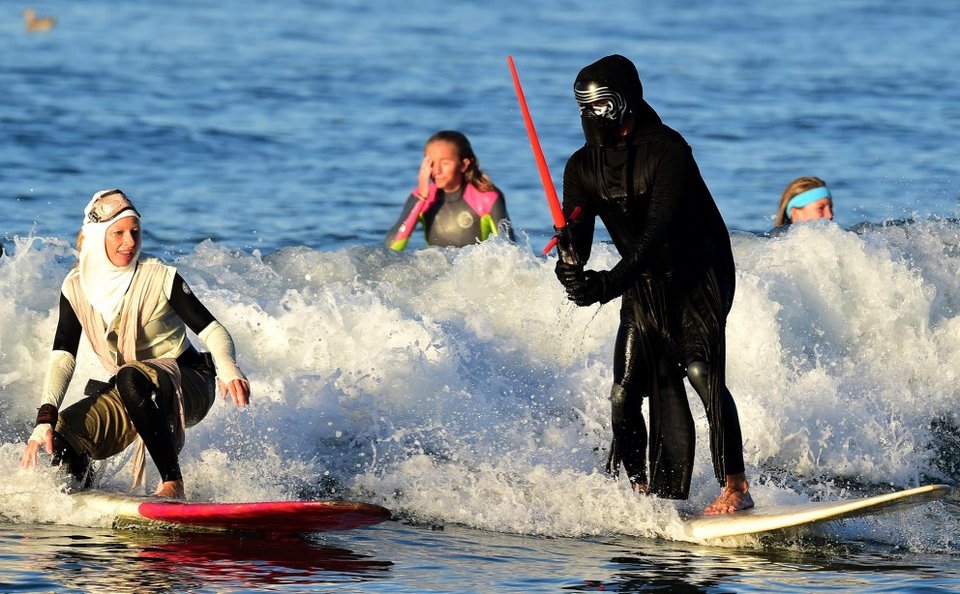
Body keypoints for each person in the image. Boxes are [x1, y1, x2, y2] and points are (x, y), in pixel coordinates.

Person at [553, 55, 753, 515]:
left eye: (600, 104)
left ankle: (736, 487)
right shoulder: (581, 168)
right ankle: (640, 493)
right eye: (583, 106)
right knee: (623, 392)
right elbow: (577, 242)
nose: (591, 115)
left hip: (698, 275)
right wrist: (571, 268)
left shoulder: (669, 151)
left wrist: (609, 284)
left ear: (625, 101)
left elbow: (656, 232)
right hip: (643, 285)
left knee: (701, 371)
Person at [20, 189, 251, 499]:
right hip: (135, 390)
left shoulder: (160, 278)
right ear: (97, 235)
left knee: (131, 376)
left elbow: (212, 329)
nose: (129, 241)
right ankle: (84, 494)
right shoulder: (76, 287)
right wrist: (44, 420)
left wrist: (228, 367)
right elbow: (63, 356)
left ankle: (172, 483)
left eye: (135, 232)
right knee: (61, 434)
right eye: (118, 233)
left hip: (189, 382)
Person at [385, 130, 513, 250]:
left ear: (464, 165)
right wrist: (422, 197)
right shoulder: (420, 197)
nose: (436, 171)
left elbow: (510, 251)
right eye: (431, 163)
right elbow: (391, 247)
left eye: (445, 163)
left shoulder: (486, 198)